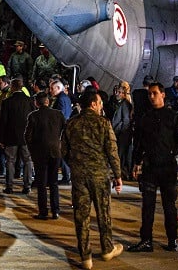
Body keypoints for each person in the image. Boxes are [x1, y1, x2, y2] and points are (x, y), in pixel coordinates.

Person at [62, 89, 124, 270]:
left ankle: (85, 256)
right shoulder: (103, 123)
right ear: (93, 104)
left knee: (81, 216)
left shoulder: (71, 124)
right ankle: (107, 249)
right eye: (100, 103)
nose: (101, 106)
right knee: (103, 213)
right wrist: (118, 175)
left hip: (79, 176)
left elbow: (63, 151)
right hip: (99, 175)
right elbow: (112, 151)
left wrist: (75, 164)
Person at [128, 82, 178, 253]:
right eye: (150, 94)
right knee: (147, 206)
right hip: (150, 168)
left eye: (155, 93)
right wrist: (136, 163)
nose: (152, 97)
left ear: (163, 94)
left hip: (168, 168)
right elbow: (139, 143)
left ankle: (172, 239)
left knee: (169, 206)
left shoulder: (174, 117)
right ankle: (146, 240)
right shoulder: (145, 118)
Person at [24, 92, 65, 220]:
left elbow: (27, 136)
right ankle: (55, 210)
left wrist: (32, 150)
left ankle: (43, 211)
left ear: (37, 103)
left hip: (40, 152)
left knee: (41, 183)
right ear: (48, 102)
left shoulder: (33, 116)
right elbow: (65, 130)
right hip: (55, 151)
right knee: (53, 182)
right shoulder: (58, 114)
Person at [0, 78, 35, 194]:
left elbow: (3, 121)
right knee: (28, 161)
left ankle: (9, 186)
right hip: (26, 137)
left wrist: (1, 138)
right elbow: (33, 119)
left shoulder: (7, 102)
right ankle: (27, 185)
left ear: (12, 87)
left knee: (10, 161)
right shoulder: (29, 101)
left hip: (11, 136)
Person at [50, 79, 73, 185]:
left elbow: (62, 115)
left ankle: (66, 176)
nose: (50, 91)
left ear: (58, 88)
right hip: (63, 129)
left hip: (61, 130)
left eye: (52, 88)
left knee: (61, 153)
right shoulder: (65, 98)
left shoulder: (61, 99)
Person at [112, 84, 133, 180]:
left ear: (124, 94)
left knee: (121, 154)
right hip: (120, 132)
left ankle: (121, 174)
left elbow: (126, 120)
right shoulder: (120, 103)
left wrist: (121, 130)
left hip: (122, 134)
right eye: (117, 92)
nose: (118, 94)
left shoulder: (125, 104)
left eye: (120, 92)